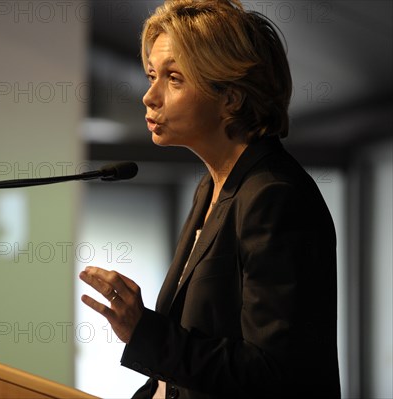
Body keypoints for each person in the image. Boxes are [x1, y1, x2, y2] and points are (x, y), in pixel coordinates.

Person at [78, 0, 341, 398]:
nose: (149, 96)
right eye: (151, 75)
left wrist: (144, 332)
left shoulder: (274, 198)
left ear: (231, 97)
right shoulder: (212, 187)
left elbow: (273, 375)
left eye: (174, 78)